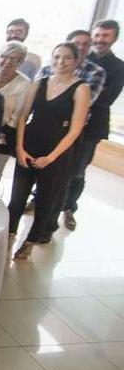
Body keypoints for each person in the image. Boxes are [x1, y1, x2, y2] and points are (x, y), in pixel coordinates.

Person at [8, 42, 90, 259]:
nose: (60, 62)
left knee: (45, 201)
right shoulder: (40, 83)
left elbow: (75, 130)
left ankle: (30, 241)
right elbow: (24, 116)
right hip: (30, 144)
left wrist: (51, 157)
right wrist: (20, 147)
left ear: (76, 60)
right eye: (56, 57)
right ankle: (8, 235)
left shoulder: (81, 88)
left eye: (67, 58)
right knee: (17, 198)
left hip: (57, 152)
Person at [59, 20, 124, 231]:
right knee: (53, 165)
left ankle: (68, 208)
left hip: (91, 126)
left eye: (106, 36)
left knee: (77, 170)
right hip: (60, 123)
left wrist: (72, 101)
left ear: (114, 38)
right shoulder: (70, 60)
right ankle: (40, 199)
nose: (100, 40)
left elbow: (105, 98)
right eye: (98, 35)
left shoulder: (117, 67)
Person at [37, 29, 105, 104]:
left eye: (86, 44)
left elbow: (86, 101)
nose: (81, 47)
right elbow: (35, 95)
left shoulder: (96, 72)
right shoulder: (46, 69)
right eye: (76, 43)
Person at [0, 41, 32, 156]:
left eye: (13, 58)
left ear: (20, 62)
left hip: (2, 137)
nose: (7, 62)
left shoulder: (24, 84)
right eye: (4, 56)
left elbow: (18, 116)